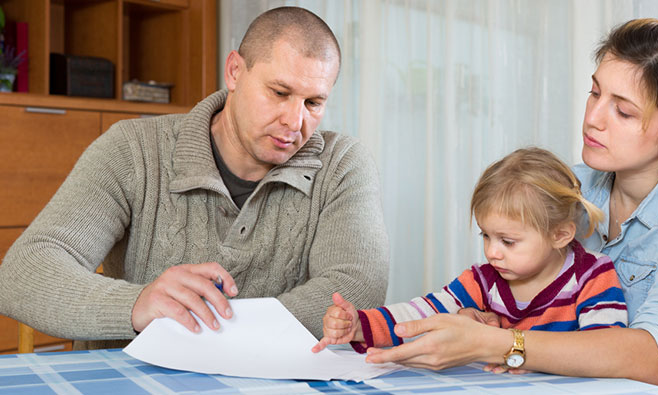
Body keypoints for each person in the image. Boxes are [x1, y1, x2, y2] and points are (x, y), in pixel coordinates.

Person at [363, 18, 658, 395]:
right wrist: (486, 317)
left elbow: (654, 358)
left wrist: (497, 342)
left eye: (624, 111)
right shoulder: (570, 185)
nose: (593, 119)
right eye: (595, 92)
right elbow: (514, 288)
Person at [0, 7, 389, 349]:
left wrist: (202, 326)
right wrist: (139, 305)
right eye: (279, 92)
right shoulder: (133, 148)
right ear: (235, 71)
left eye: (313, 103)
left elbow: (355, 289)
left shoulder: (341, 164)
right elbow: (22, 273)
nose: (295, 121)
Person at [313, 147, 629, 372]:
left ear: (560, 235)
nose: (492, 252)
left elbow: (601, 350)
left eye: (508, 241)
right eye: (486, 236)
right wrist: (360, 326)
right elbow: (424, 312)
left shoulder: (593, 276)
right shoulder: (484, 278)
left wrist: (526, 357)